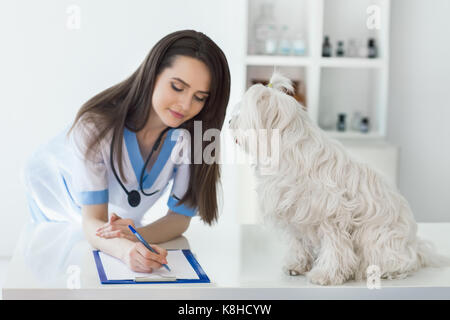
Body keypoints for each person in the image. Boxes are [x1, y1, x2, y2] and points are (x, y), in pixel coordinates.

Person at [22, 30, 231, 274]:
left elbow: (179, 219)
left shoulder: (193, 138)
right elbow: (92, 220)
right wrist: (124, 250)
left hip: (112, 216)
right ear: (152, 74)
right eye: (177, 87)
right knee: (58, 274)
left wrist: (135, 236)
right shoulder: (94, 128)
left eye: (199, 97)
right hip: (54, 199)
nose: (185, 106)